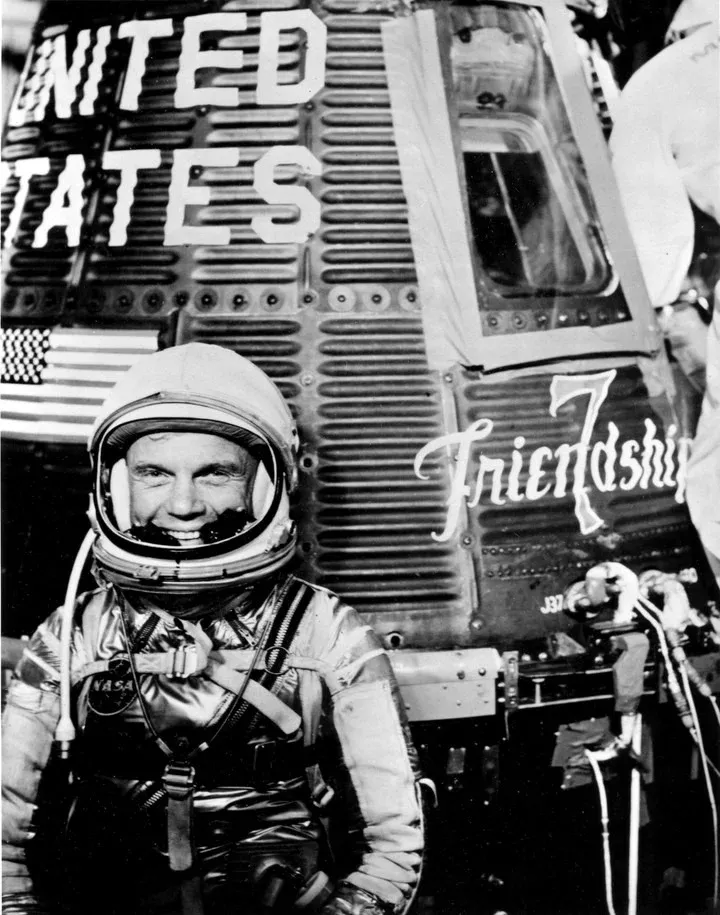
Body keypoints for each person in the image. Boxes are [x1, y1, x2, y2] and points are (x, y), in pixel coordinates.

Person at [2, 343, 425, 915]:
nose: (183, 504)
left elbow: (394, 850)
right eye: (154, 473)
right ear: (118, 488)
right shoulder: (72, 635)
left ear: (262, 488)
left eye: (215, 474)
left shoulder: (328, 634)